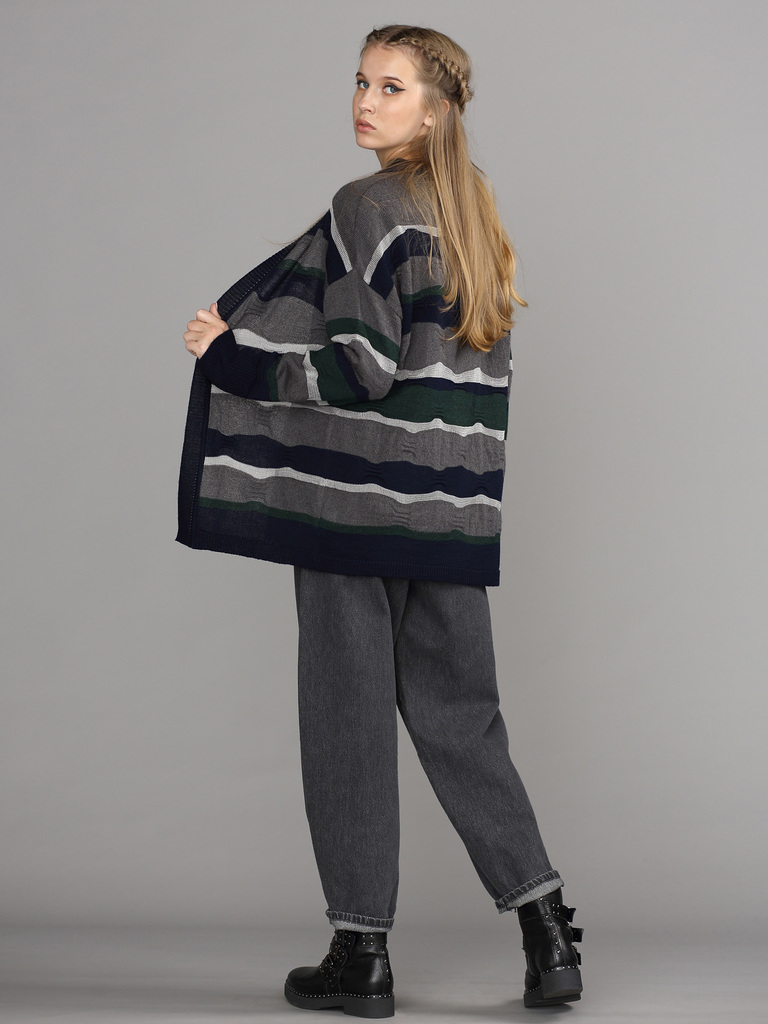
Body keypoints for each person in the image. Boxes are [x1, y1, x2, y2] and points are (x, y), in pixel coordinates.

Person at [179, 23, 583, 1018]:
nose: (366, 101)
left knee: (347, 717)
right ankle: (547, 934)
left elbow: (360, 368)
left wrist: (233, 356)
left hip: (355, 509)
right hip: (447, 513)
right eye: (361, 81)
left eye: (392, 87)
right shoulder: (474, 211)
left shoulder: (366, 205)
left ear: (435, 110)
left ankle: (360, 955)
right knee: (464, 719)